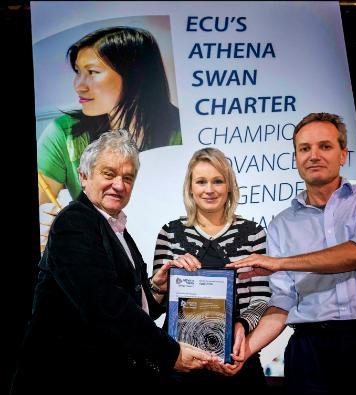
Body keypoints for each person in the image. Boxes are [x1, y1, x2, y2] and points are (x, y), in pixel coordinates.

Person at [228, 113, 356, 394]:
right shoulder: (282, 224)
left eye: (325, 146)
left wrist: (280, 264)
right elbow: (283, 301)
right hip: (311, 354)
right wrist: (243, 352)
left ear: (343, 154)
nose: (313, 155)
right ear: (296, 158)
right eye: (304, 149)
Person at [10, 130, 211, 395]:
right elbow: (104, 304)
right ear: (84, 176)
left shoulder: (116, 229)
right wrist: (170, 352)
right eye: (109, 174)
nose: (119, 184)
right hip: (62, 382)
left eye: (127, 178)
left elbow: (129, 304)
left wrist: (156, 288)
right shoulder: (75, 223)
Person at [38, 26, 181, 249]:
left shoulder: (177, 131)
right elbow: (42, 208)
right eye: (77, 72)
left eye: (92, 72)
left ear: (135, 75)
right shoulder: (62, 133)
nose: (78, 85)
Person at [150, 147, 272, 389]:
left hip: (235, 360)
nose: (209, 189)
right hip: (179, 364)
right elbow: (156, 304)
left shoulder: (253, 234)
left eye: (218, 181)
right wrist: (157, 285)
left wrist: (242, 326)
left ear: (229, 186)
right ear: (190, 188)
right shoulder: (170, 233)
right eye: (201, 181)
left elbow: (261, 300)